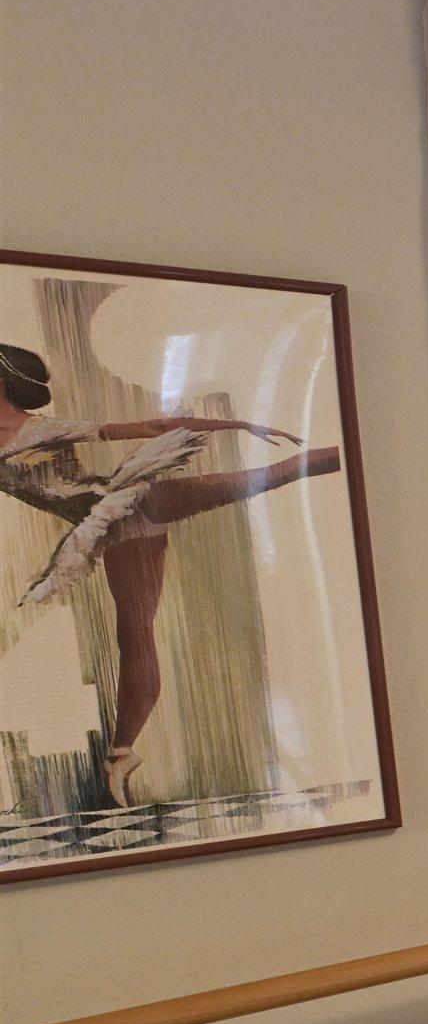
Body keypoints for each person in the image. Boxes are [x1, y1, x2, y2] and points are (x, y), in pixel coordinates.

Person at [0, 340, 341, 805]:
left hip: (128, 502)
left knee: (275, 474)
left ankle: (352, 452)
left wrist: (241, 424)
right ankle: (121, 753)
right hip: (108, 530)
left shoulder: (46, 429)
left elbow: (152, 426)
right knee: (134, 635)